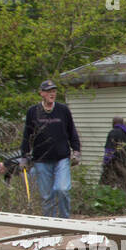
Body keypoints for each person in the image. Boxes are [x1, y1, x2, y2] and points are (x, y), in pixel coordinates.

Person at [20, 79, 81, 218]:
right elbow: (26, 135)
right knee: (47, 196)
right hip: (41, 160)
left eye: (53, 91)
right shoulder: (33, 111)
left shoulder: (63, 110)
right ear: (41, 93)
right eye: (48, 92)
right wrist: (24, 155)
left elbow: (72, 131)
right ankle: (51, 226)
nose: (52, 94)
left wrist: (76, 151)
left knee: (62, 189)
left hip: (62, 158)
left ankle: (65, 221)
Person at [100, 117, 126, 191]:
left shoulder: (113, 132)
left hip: (115, 164)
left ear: (114, 123)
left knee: (107, 185)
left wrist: (105, 162)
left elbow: (109, 150)